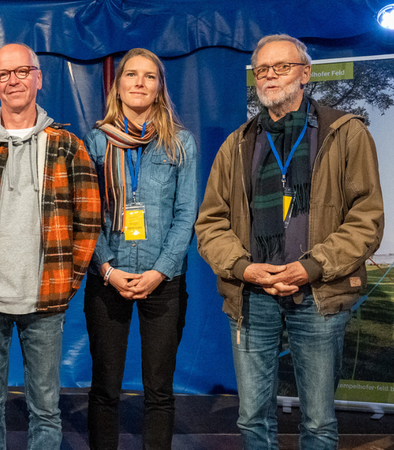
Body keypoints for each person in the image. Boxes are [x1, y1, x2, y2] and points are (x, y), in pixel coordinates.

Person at [195, 34, 384, 449]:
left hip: (318, 294)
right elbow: (210, 223)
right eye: (262, 69)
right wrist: (245, 268)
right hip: (252, 296)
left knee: (317, 421)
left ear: (305, 73)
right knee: (251, 419)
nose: (270, 76)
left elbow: (366, 219)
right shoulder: (237, 143)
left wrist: (310, 267)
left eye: (281, 67)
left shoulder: (345, 133)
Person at [0, 43, 101, 450]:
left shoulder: (68, 146)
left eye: (22, 71)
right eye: (3, 74)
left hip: (44, 304)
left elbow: (89, 221)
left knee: (45, 409)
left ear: (39, 78)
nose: (13, 81)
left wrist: (64, 282)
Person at [83, 48, 199, 450]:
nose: (139, 82)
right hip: (108, 277)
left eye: (149, 76)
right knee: (105, 388)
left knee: (159, 390)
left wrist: (160, 271)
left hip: (163, 280)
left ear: (159, 88)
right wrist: (108, 269)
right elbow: (85, 213)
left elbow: (187, 215)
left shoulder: (180, 143)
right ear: (118, 85)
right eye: (131, 74)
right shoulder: (96, 141)